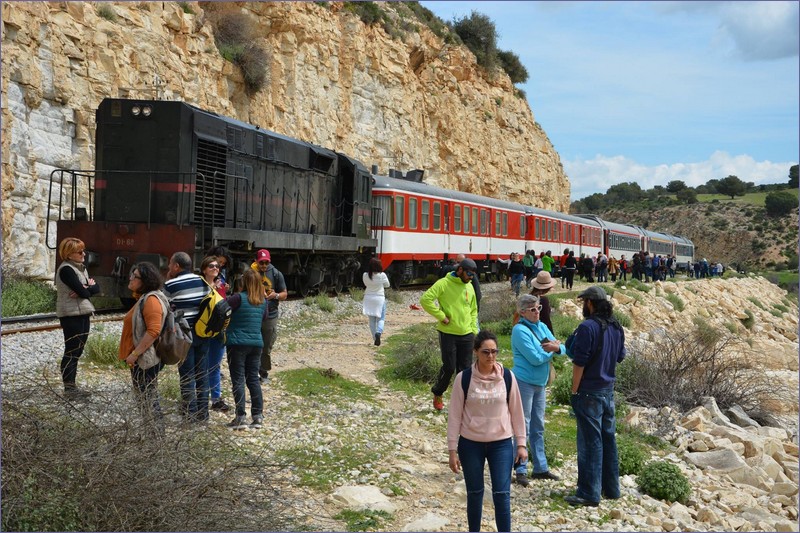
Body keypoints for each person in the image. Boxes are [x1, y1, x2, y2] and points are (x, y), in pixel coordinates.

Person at [447, 330, 527, 533]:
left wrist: (521, 444)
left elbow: (517, 412)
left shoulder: (508, 377)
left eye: (494, 351)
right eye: (485, 352)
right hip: (470, 443)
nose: (490, 356)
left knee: (502, 494)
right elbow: (455, 415)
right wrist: (452, 450)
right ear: (475, 352)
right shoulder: (463, 379)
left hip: (501, 444)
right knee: (474, 493)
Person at [565, 286, 626, 507]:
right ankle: (611, 489)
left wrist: (574, 390)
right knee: (608, 440)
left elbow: (579, 362)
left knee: (590, 443)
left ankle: (588, 493)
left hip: (589, 391)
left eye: (584, 302)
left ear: (590, 303)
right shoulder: (617, 326)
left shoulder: (587, 327)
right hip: (608, 391)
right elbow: (620, 357)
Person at [511, 294, 565, 486]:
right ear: (523, 312)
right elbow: (534, 358)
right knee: (522, 426)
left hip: (540, 384)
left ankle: (541, 468)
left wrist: (555, 348)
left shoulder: (541, 326)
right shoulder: (519, 331)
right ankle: (520, 468)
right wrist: (552, 350)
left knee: (538, 426)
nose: (537, 313)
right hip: (524, 382)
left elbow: (562, 348)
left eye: (539, 308)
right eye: (533, 310)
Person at [421, 257, 479, 411]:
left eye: (473, 275)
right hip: (448, 333)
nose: (471, 278)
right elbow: (425, 300)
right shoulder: (443, 283)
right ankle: (438, 392)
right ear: (459, 270)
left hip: (467, 333)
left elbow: (473, 310)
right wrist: (441, 316)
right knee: (449, 367)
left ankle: (462, 402)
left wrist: (474, 330)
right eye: (468, 274)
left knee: (465, 370)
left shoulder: (470, 286)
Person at [163, 251, 211, 422]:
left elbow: (164, 308)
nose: (169, 267)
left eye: (170, 264)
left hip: (184, 335)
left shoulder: (170, 285)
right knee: (202, 373)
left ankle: (190, 413)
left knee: (187, 374)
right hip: (202, 334)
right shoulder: (203, 282)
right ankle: (203, 413)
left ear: (176, 266)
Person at [118, 262, 165, 423]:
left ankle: (156, 440)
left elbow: (154, 331)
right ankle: (152, 438)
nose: (130, 278)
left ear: (145, 281)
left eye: (135, 276)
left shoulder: (151, 300)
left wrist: (134, 354)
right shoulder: (144, 298)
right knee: (145, 401)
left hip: (145, 360)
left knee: (149, 401)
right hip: (141, 359)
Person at [55, 237, 100, 398]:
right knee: (72, 350)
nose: (84, 254)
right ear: (69, 254)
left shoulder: (81, 268)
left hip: (82, 312)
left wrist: (86, 288)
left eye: (83, 250)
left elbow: (95, 289)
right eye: (79, 252)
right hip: (71, 314)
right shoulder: (67, 270)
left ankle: (72, 386)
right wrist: (87, 288)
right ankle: (69, 388)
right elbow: (86, 292)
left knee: (78, 350)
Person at [223, 269, 268, 430]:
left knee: (238, 379)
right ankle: (257, 416)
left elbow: (221, 309)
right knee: (253, 379)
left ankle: (240, 416)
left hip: (237, 343)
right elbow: (263, 318)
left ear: (244, 282)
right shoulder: (263, 301)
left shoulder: (237, 298)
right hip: (256, 343)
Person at [251, 249, 288, 384]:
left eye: (266, 263)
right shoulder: (251, 273)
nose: (264, 266)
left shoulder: (276, 274)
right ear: (256, 261)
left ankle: (264, 372)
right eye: (261, 263)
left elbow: (284, 294)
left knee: (266, 345)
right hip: (254, 313)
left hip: (270, 314)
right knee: (252, 344)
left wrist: (276, 295)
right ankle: (251, 371)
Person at [200, 255, 230, 413]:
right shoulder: (199, 285)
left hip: (218, 331)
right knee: (201, 365)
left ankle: (216, 399)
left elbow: (224, 308)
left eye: (217, 267)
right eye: (211, 266)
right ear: (204, 269)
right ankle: (201, 398)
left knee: (214, 366)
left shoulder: (221, 285)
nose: (215, 269)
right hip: (202, 331)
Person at [362, 257, 390, 346]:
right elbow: (387, 285)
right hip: (379, 298)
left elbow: (366, 284)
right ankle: (379, 332)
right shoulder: (382, 275)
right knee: (381, 319)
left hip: (368, 298)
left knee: (371, 321)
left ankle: (375, 338)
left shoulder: (365, 275)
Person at [529, 270, 556, 335]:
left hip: (527, 330)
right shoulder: (543, 300)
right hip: (539, 332)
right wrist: (551, 336)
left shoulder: (529, 297)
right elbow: (546, 320)